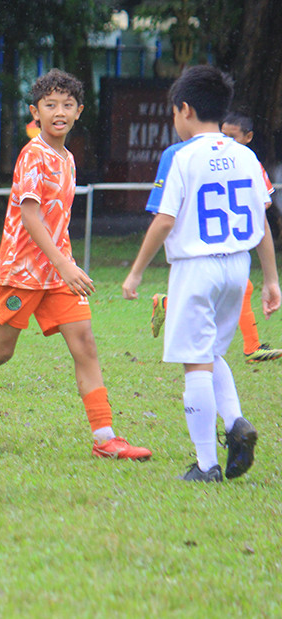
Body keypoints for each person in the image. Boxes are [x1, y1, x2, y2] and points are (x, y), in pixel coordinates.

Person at [0, 69, 152, 461]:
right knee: (0, 351)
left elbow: (49, 219)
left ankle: (106, 437)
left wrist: (11, 256)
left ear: (79, 111)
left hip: (55, 272)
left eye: (67, 105)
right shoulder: (34, 155)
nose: (59, 112)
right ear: (35, 112)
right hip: (32, 273)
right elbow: (29, 216)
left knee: (86, 345)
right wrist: (39, 263)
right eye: (50, 105)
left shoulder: (68, 158)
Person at [123, 66, 280, 482]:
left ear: (185, 109)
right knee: (211, 354)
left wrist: (136, 272)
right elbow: (262, 222)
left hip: (196, 268)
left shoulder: (184, 156)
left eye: (174, 114)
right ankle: (235, 423)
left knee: (195, 362)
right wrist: (271, 279)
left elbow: (163, 221)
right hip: (237, 266)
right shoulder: (246, 156)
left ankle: (207, 464)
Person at [148, 111, 282, 363]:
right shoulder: (185, 157)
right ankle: (252, 347)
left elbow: (260, 208)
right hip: (209, 249)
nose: (226, 139)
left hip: (233, 243)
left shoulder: (248, 161)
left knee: (208, 347)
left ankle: (169, 304)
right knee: (203, 353)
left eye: (233, 136)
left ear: (248, 137)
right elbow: (164, 216)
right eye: (224, 133)